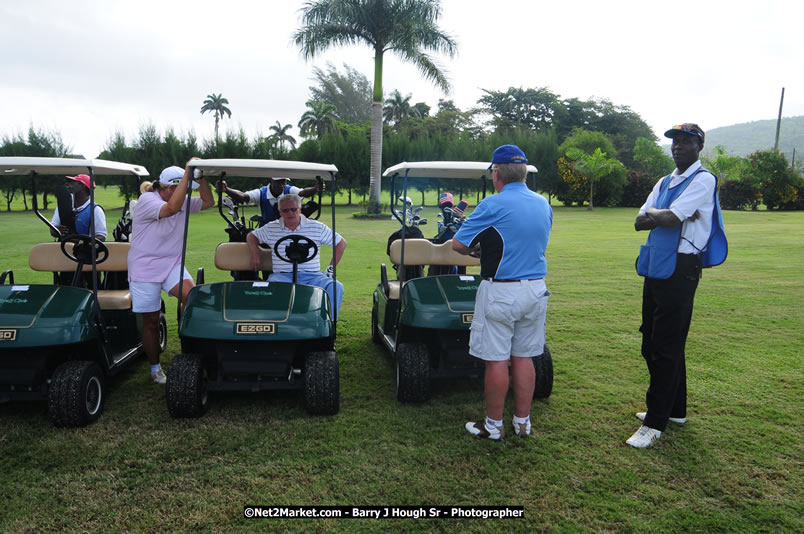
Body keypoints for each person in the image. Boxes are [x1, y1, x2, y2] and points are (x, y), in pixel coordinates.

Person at [628, 123, 727, 448]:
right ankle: (676, 410)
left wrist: (665, 215)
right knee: (652, 342)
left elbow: (667, 218)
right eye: (675, 142)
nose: (678, 147)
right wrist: (667, 215)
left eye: (686, 142)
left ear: (699, 147)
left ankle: (655, 423)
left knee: (665, 346)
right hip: (657, 265)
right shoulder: (664, 181)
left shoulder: (704, 179)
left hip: (682, 269)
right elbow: (640, 220)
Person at [452, 145, 552, 441]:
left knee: (497, 359)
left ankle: (494, 425)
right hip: (535, 288)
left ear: (497, 174)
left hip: (502, 290)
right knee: (524, 357)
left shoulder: (492, 204)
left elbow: (458, 244)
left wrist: (477, 250)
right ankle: (523, 422)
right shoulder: (543, 203)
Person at [128, 160, 214, 384]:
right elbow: (171, 209)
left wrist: (200, 176)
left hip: (172, 263)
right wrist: (187, 171)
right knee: (151, 321)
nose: (187, 194)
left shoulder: (182, 200)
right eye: (183, 189)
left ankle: (190, 349)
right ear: (170, 187)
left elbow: (209, 201)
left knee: (193, 299)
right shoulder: (148, 200)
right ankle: (155, 368)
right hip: (145, 268)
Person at [246, 193, 346, 315]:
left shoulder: (316, 227)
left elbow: (341, 243)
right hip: (282, 276)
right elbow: (251, 236)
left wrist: (331, 268)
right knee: (271, 287)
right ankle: (278, 322)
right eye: (285, 210)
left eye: (294, 209)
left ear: (300, 209)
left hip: (312, 276)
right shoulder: (271, 228)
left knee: (335, 286)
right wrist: (255, 253)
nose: (290, 213)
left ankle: (328, 322)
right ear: (280, 212)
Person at [216, 177, 322, 226]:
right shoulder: (261, 193)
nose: (281, 185)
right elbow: (244, 197)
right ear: (270, 181)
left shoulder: (289, 190)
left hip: (290, 230)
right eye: (278, 182)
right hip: (267, 232)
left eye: (283, 182)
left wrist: (315, 189)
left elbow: (303, 193)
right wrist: (227, 189)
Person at [50, 174, 107, 241]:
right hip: (63, 249)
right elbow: (52, 231)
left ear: (82, 185)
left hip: (84, 250)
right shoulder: (62, 207)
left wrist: (81, 243)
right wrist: (58, 231)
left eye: (72, 183)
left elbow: (101, 236)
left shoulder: (95, 210)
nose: (68, 186)